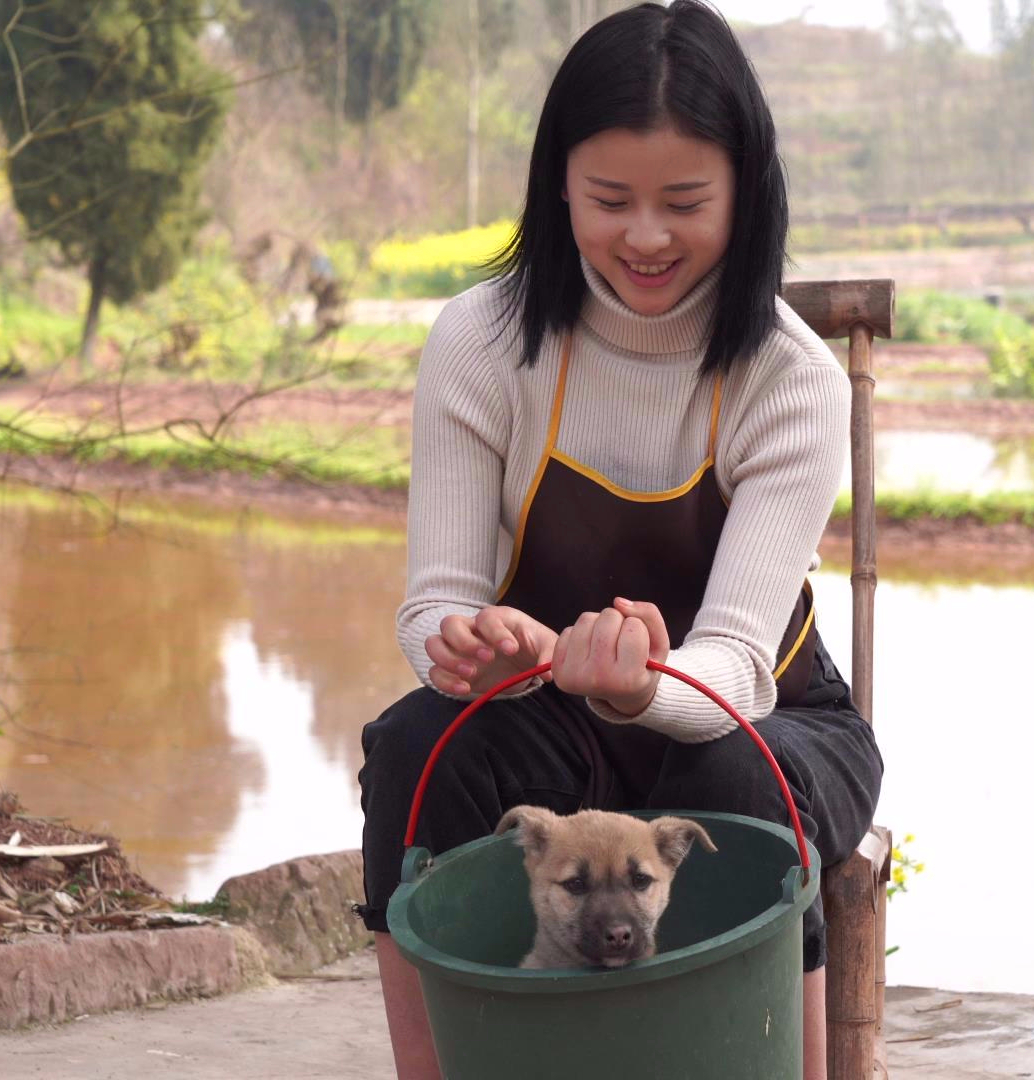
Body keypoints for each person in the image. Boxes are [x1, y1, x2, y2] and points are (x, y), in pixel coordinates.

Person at [353, 3, 883, 1075]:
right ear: (559, 184)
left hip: (767, 713)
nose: (645, 236)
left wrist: (639, 688)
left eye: (684, 202)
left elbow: (736, 659)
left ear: (747, 190)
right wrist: (477, 655)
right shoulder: (482, 341)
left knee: (743, 788)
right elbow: (434, 601)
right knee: (413, 752)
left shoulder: (792, 380)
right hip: (542, 705)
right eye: (610, 200)